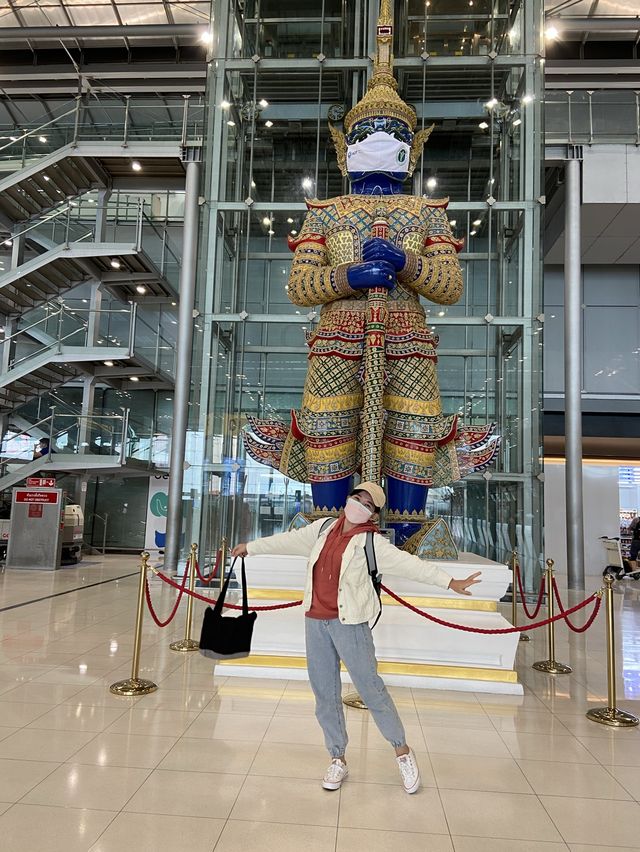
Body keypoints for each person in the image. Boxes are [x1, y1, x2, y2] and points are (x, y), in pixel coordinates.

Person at [243, 2, 497, 546]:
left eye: (392, 132)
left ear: (412, 151)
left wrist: (406, 263)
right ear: (346, 148)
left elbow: (449, 287)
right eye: (369, 131)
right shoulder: (326, 213)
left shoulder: (427, 213)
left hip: (407, 338)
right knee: (329, 429)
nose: (380, 139)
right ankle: (330, 538)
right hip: (335, 339)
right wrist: (349, 278)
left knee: (413, 434)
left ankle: (407, 536)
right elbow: (301, 286)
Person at [231, 481, 481, 794]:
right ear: (348, 499)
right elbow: (288, 540)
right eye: (357, 498)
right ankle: (337, 758)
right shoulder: (322, 529)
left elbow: (411, 565)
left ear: (374, 514)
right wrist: (251, 547)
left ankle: (402, 751)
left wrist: (450, 582)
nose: (359, 505)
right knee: (325, 693)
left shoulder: (372, 543)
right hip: (315, 622)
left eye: (368, 504)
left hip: (349, 624)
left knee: (371, 689)